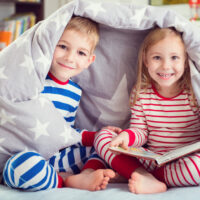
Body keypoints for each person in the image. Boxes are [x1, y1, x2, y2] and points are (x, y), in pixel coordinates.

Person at [2, 16, 118, 192]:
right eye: (63, 46)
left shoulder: (75, 92)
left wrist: (97, 136)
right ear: (50, 45)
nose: (70, 58)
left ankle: (86, 174)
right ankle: (64, 181)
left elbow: (65, 133)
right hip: (25, 155)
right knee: (23, 166)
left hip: (58, 157)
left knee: (105, 144)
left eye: (81, 53)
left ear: (89, 60)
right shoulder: (34, 79)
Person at [94, 27, 200, 194]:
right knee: (103, 137)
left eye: (174, 58)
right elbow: (140, 131)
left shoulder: (193, 92)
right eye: (157, 57)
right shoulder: (141, 92)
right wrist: (127, 137)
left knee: (197, 167)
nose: (166, 66)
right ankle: (142, 174)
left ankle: (146, 177)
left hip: (186, 161)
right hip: (152, 159)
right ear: (146, 60)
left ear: (185, 61)